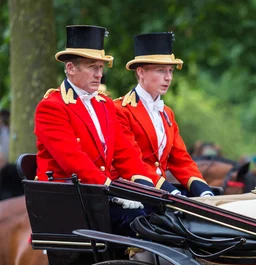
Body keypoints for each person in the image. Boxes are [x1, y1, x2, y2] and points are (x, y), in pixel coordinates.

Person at [35, 25, 162, 208]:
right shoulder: (51, 107)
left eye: (101, 67)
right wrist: (112, 191)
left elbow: (124, 151)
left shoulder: (104, 103)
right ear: (70, 68)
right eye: (92, 67)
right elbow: (74, 162)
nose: (99, 75)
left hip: (99, 193)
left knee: (157, 214)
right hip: (68, 197)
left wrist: (146, 186)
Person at [114, 32, 213, 197]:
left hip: (163, 194)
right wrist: (170, 190)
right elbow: (134, 162)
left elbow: (181, 159)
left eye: (170, 71)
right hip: (134, 193)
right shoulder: (120, 110)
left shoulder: (167, 113)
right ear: (140, 72)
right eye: (161, 71)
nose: (168, 78)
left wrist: (203, 191)